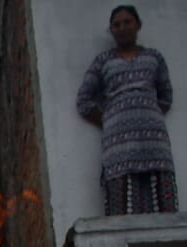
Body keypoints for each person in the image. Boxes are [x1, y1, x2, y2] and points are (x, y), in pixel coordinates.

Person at [76, 5, 177, 215]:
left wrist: (147, 115)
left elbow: (166, 96)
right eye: (116, 25)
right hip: (118, 146)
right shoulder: (103, 61)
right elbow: (84, 101)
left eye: (127, 22)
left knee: (163, 209)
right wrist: (111, 119)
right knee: (121, 209)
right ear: (111, 30)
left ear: (138, 25)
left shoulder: (154, 58)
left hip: (154, 144)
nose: (122, 28)